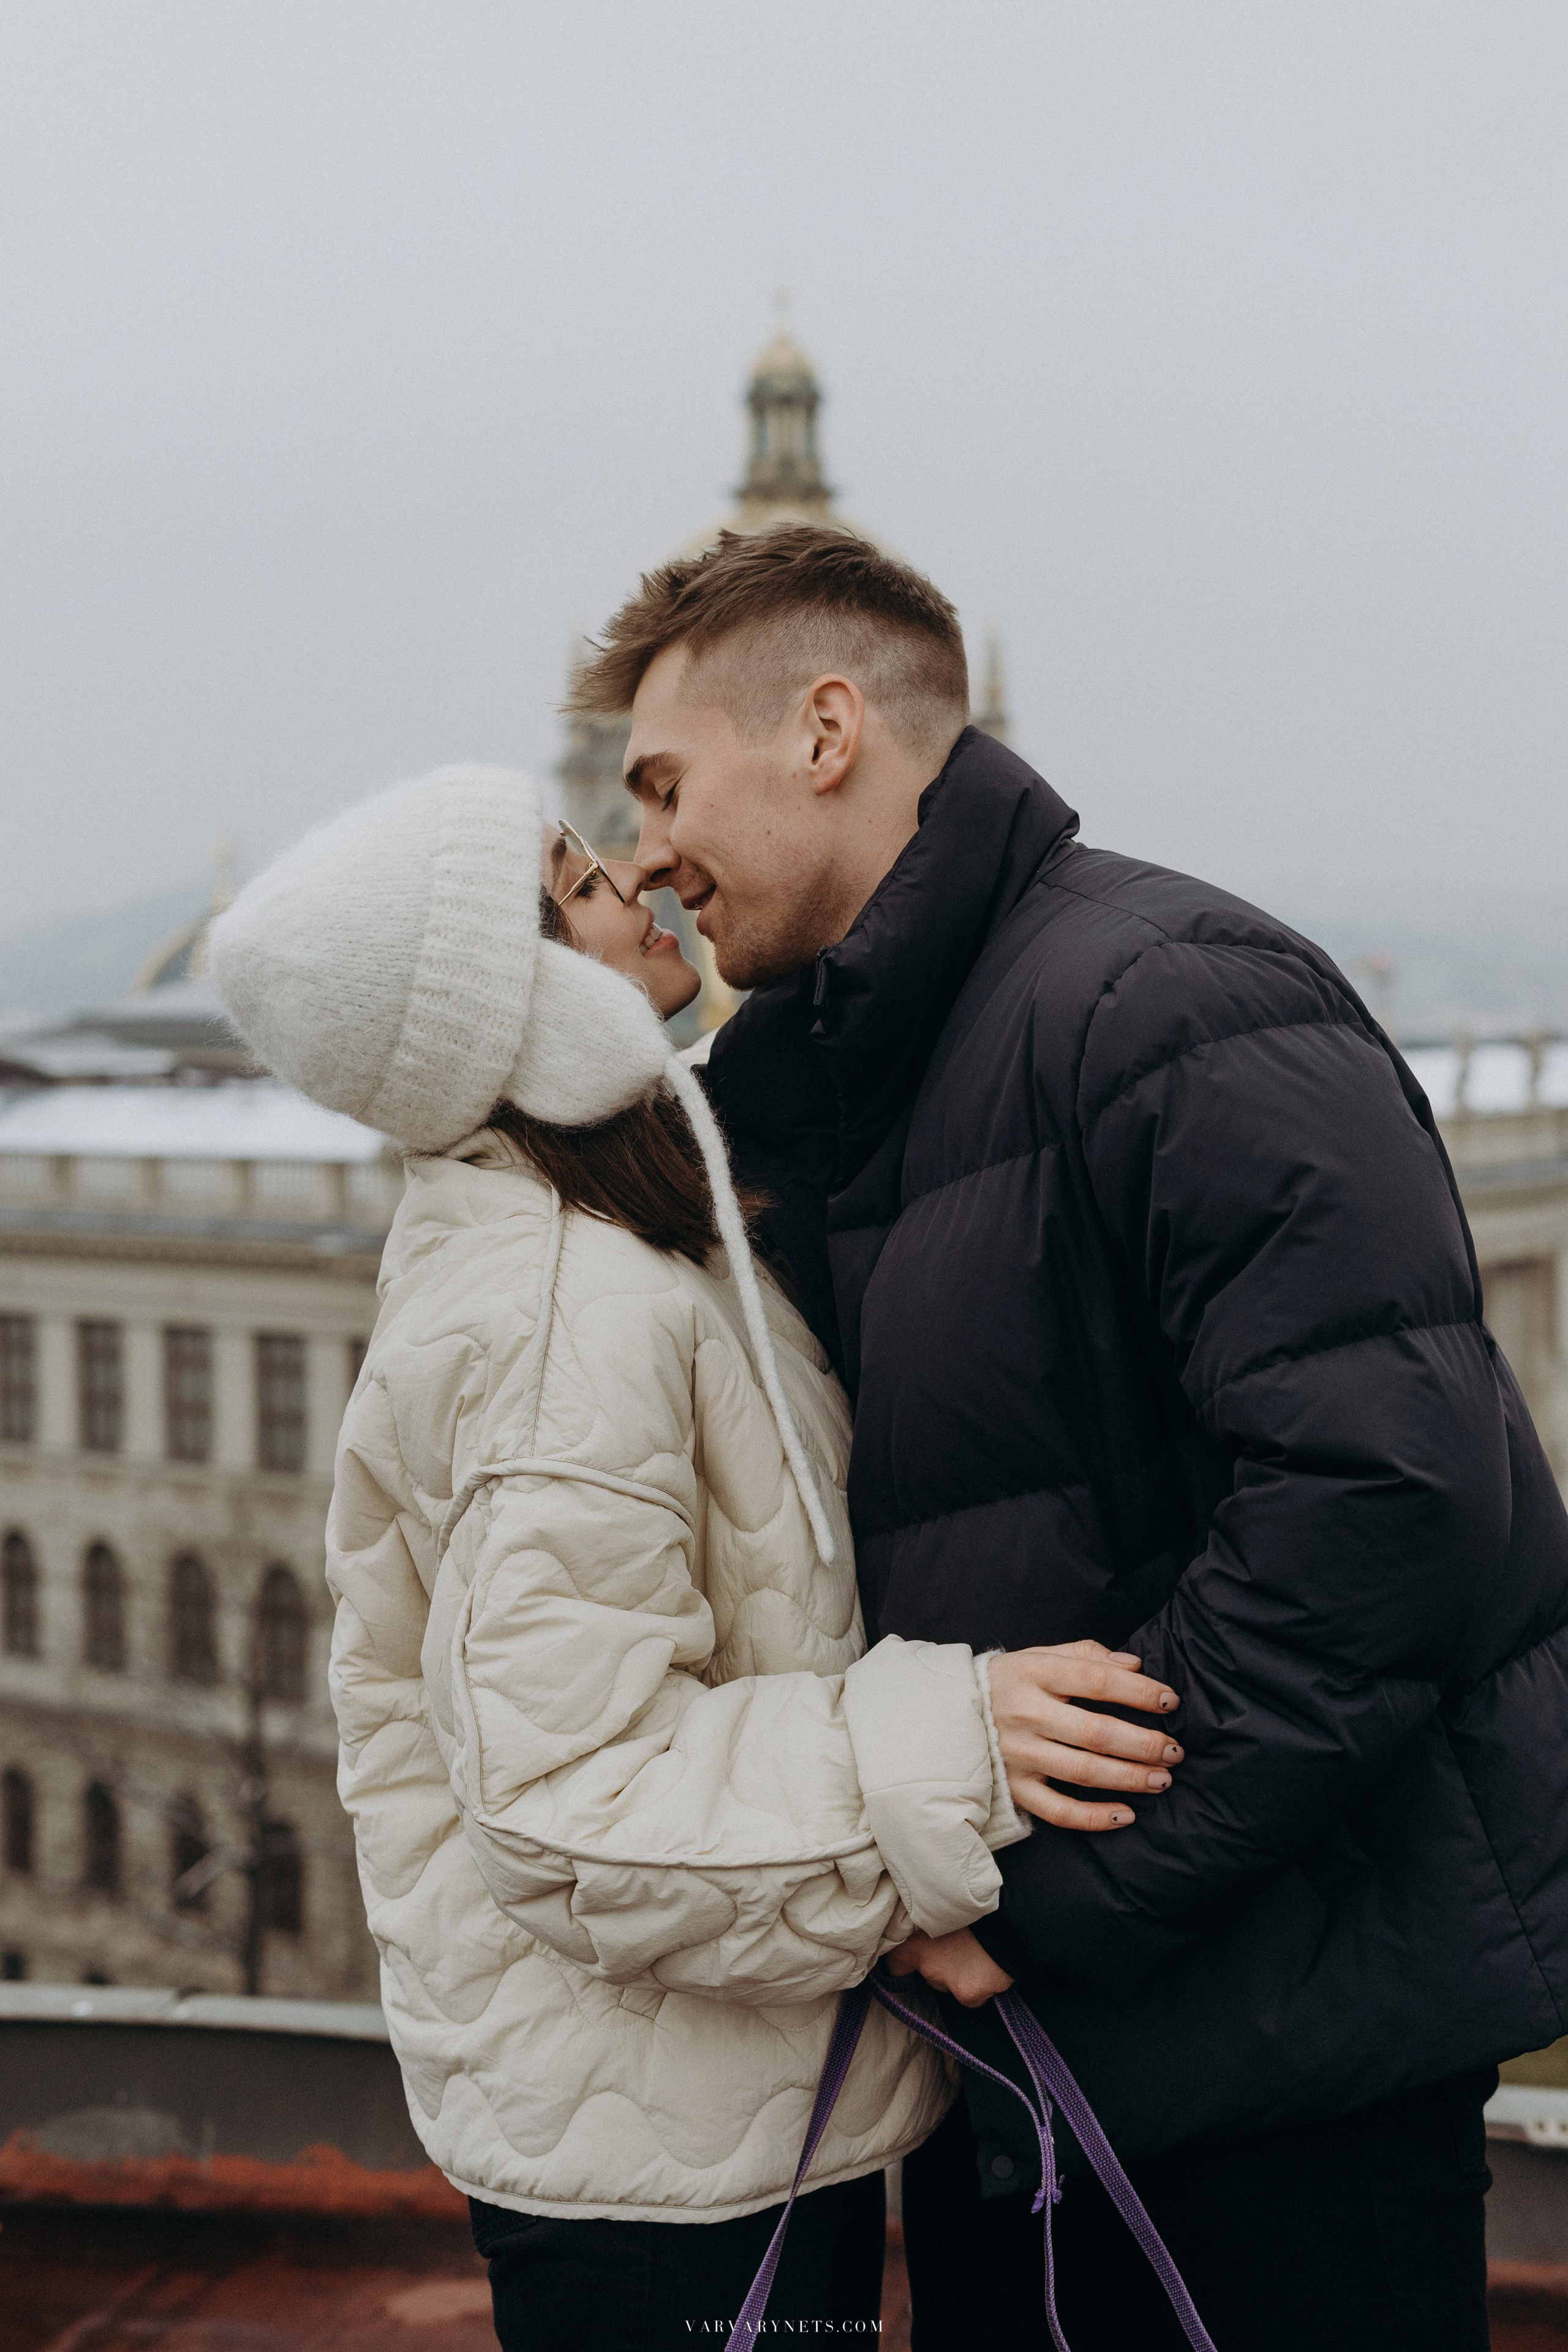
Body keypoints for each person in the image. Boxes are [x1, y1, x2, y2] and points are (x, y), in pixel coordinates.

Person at [568, 522, 1568, 2352]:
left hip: (1271, 2095)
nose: (647, 853)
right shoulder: (857, 1083)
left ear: (826, 730)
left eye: (661, 782)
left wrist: (1043, 1896)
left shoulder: (1171, 996)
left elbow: (1392, 1506)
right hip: (1037, 2084)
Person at [208, 765, 1188, 2351]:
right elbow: (568, 1797)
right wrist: (948, 1755)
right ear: (514, 1004)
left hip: (697, 2117)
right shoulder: (560, 1310)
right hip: (663, 2181)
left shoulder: (621, 1236)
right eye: (579, 880)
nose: (635, 885)